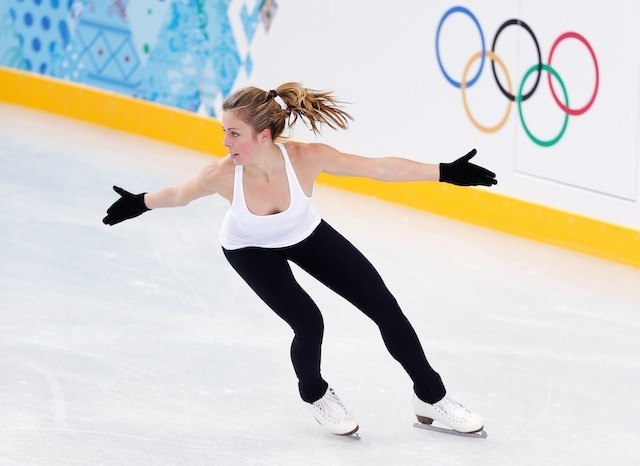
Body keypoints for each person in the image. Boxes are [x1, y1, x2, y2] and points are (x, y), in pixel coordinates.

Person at [103, 82, 497, 436]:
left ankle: (431, 396)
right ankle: (316, 394)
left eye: (234, 133)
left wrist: (444, 171)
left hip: (304, 233)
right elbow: (177, 195)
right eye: (224, 131)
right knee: (309, 322)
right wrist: (139, 203)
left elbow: (378, 168)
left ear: (264, 135)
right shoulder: (222, 175)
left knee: (384, 307)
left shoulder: (306, 158)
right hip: (248, 249)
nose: (225, 142)